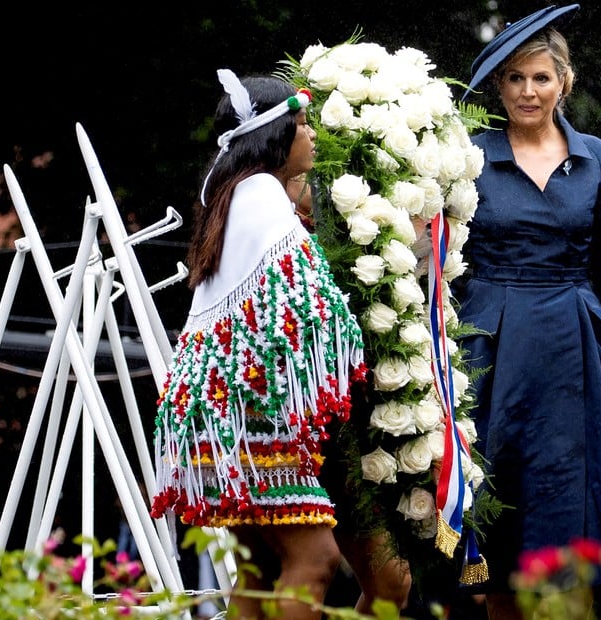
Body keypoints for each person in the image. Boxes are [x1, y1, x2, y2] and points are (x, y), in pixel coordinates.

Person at [457, 4, 601, 618]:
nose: (528, 90)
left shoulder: (596, 156)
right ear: (499, 85)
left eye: (541, 78)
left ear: (564, 83)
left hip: (578, 344)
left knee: (581, 508)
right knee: (498, 512)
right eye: (516, 78)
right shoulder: (467, 154)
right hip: (493, 346)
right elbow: (440, 257)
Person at [149, 70, 367, 620]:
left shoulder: (232, 195)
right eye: (301, 124)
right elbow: (312, 311)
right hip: (252, 419)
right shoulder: (264, 195)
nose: (312, 135)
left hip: (215, 417)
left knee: (255, 571)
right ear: (275, 137)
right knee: (315, 558)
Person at [287, 173, 415, 616]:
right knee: (302, 570)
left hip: (344, 426)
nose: (308, 135)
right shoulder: (253, 210)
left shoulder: (343, 195)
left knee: (391, 581)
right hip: (283, 432)